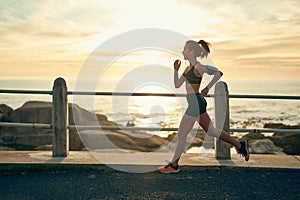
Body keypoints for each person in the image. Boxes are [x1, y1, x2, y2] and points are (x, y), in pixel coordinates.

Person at [158, 40, 249, 173]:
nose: (183, 52)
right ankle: (239, 145)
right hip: (195, 102)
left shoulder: (198, 67)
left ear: (192, 52)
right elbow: (178, 84)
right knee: (211, 131)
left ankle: (174, 164)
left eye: (185, 49)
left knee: (182, 133)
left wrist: (207, 87)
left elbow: (218, 73)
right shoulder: (188, 68)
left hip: (196, 103)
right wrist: (175, 71)